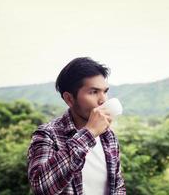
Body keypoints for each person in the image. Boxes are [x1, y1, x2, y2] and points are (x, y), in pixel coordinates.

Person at [27, 57, 126, 195]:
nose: (103, 99)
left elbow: (118, 185)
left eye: (105, 91)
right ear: (69, 99)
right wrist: (89, 133)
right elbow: (41, 187)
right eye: (93, 92)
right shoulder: (48, 135)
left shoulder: (108, 136)